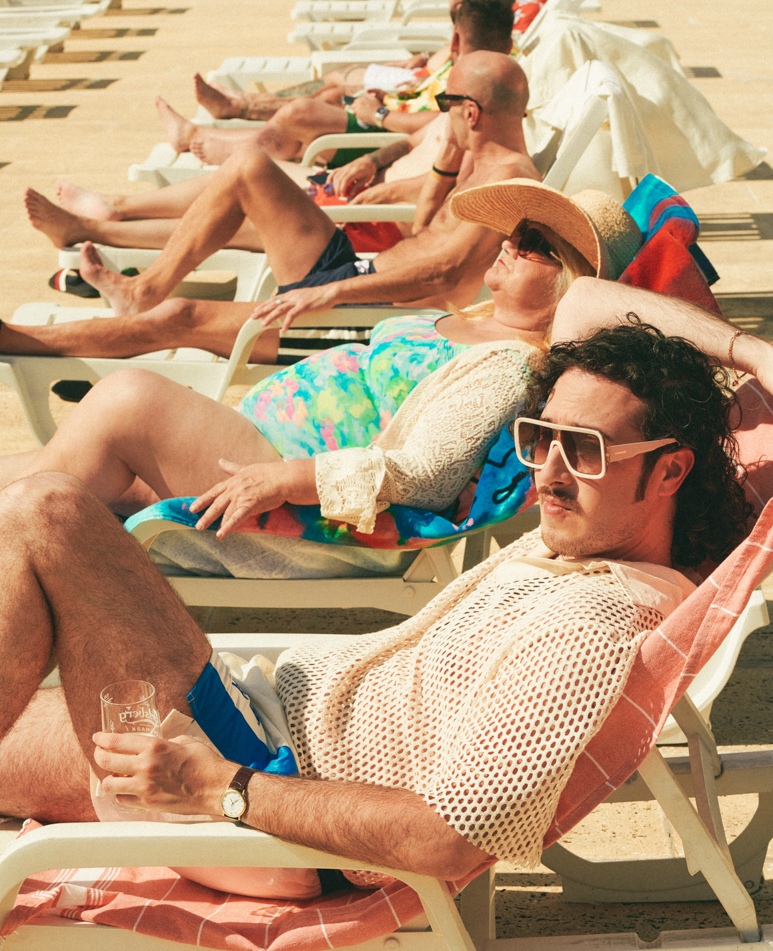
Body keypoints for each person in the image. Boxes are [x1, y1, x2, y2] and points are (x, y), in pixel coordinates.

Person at [0, 323, 754, 893]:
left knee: (50, 509)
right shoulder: (588, 540)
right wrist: (747, 350)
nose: (547, 475)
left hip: (256, 774)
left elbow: (448, 841)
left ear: (671, 471)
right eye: (538, 439)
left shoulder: (594, 628)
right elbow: (583, 299)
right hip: (251, 718)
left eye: (583, 450)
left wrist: (219, 786)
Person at [0, 181, 640, 580]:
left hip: (302, 501)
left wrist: (286, 479)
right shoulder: (478, 320)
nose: (511, 242)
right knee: (56, 465)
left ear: (571, 285)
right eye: (517, 231)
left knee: (127, 401)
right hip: (261, 450)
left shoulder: (508, 367)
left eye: (536, 245)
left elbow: (426, 475)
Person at [25, 49, 539, 323]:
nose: (440, 113)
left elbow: (445, 274)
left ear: (471, 112)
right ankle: (139, 280)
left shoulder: (511, 183)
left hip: (370, 302)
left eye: (447, 103)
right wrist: (445, 170)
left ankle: (137, 283)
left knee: (188, 306)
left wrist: (332, 291)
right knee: (248, 166)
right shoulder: (476, 162)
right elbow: (426, 232)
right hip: (362, 269)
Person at [155, 0, 514, 167]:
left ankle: (225, 145)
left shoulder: (474, 81)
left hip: (389, 132)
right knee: (328, 93)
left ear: (456, 38)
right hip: (395, 107)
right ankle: (219, 124)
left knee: (301, 113)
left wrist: (379, 114)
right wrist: (415, 68)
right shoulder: (495, 63)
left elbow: (441, 125)